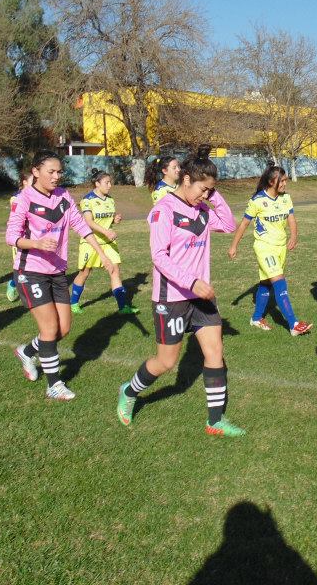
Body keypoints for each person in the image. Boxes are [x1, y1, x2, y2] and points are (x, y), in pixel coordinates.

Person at [117, 146, 243, 435]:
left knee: (215, 353)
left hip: (201, 297)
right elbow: (159, 256)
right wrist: (191, 282)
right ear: (185, 179)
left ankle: (215, 422)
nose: (205, 196)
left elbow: (228, 224)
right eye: (202, 189)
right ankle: (130, 391)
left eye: (209, 191)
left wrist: (212, 192)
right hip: (172, 298)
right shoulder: (164, 210)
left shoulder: (201, 210)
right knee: (166, 362)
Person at [8, 150, 114, 401]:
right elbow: (11, 236)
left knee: (63, 329)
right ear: (35, 172)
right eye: (51, 172)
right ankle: (54, 385)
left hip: (57, 271)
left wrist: (104, 255)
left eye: (59, 172)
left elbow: (81, 226)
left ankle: (26, 351)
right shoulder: (24, 199)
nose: (57, 176)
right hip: (30, 271)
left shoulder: (64, 196)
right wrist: (36, 243)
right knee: (49, 328)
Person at [228, 163, 312, 336]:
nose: (285, 184)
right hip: (264, 247)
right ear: (272, 181)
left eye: (286, 181)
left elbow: (292, 219)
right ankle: (293, 324)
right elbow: (244, 223)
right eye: (282, 181)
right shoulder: (257, 200)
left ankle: (257, 318)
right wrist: (234, 245)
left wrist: (294, 236)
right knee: (279, 281)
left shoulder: (285, 198)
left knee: (266, 283)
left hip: (280, 247)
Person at [70, 169, 138, 315]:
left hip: (108, 243)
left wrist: (114, 220)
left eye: (110, 182)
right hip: (90, 242)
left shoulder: (110, 200)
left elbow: (107, 220)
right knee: (85, 272)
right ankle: (73, 303)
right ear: (97, 183)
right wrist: (106, 231)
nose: (110, 185)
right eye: (106, 183)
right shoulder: (87, 200)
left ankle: (123, 307)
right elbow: (88, 222)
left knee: (115, 271)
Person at [5, 171, 33, 303]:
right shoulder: (16, 198)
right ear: (25, 182)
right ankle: (12, 284)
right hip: (20, 238)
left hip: (33, 237)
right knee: (22, 267)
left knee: (32, 266)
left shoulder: (37, 196)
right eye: (33, 181)